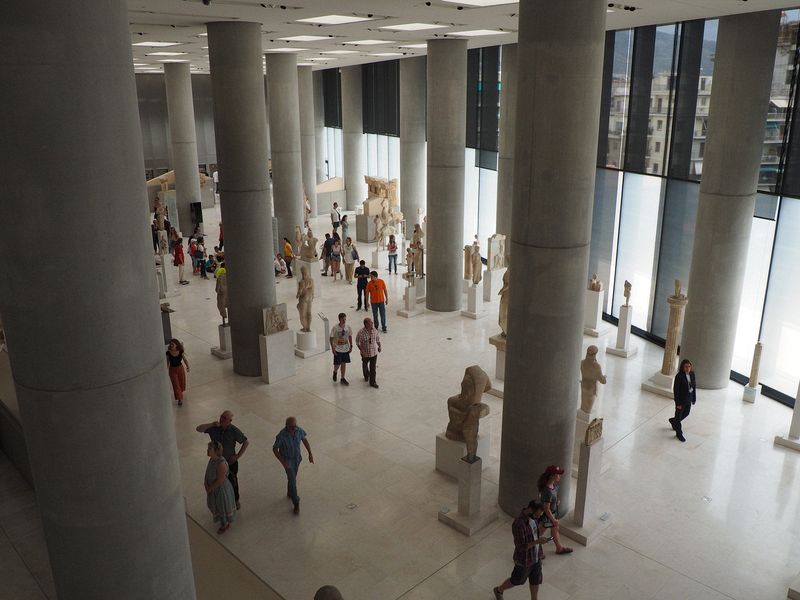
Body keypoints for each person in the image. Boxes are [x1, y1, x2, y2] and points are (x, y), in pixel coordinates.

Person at [493, 499, 550, 600]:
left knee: (535, 580)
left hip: (536, 557)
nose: (538, 517)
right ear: (531, 510)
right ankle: (499, 590)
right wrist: (537, 542)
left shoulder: (534, 518)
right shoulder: (518, 524)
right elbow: (521, 546)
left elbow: (535, 534)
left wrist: (540, 544)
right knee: (517, 580)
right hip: (524, 560)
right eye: (537, 515)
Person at [196, 412, 249, 510]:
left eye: (225, 418)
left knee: (232, 481)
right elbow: (198, 429)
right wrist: (211, 424)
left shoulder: (234, 430)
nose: (222, 419)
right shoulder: (214, 428)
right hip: (217, 462)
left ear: (230, 421)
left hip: (230, 462)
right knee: (217, 481)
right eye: (221, 417)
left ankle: (235, 500)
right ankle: (220, 500)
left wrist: (237, 456)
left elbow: (245, 442)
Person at [273, 417, 313, 514]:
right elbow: (274, 449)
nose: (294, 428)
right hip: (288, 461)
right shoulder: (281, 436)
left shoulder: (298, 430)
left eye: (295, 426)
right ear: (286, 426)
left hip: (297, 459)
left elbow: (304, 440)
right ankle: (296, 502)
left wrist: (310, 453)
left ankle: (290, 492)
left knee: (292, 478)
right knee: (292, 479)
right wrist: (283, 461)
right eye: (292, 427)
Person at [537, 465, 572, 555]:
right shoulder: (547, 491)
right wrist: (553, 520)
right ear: (552, 476)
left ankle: (559, 548)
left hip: (552, 514)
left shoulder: (552, 485)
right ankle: (530, 549)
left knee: (555, 530)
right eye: (558, 474)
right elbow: (546, 508)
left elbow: (552, 498)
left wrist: (556, 501)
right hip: (548, 516)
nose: (560, 476)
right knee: (537, 534)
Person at [205, 441, 236, 534]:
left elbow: (220, 480)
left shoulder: (221, 464)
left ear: (215, 451)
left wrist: (210, 488)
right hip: (213, 489)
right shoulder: (212, 459)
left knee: (222, 506)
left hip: (221, 490)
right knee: (217, 505)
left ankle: (225, 524)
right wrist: (206, 483)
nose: (207, 450)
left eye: (210, 449)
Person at [670, 358, 696, 442]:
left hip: (689, 398)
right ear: (682, 367)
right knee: (678, 416)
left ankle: (673, 421)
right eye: (686, 366)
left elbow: (694, 387)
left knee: (686, 413)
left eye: (689, 366)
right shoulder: (679, 376)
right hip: (681, 400)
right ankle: (679, 433)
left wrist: (694, 398)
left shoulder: (692, 374)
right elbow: (676, 391)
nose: (688, 368)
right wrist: (678, 403)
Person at [356, 317, 381, 388]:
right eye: (371, 322)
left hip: (374, 352)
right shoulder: (361, 332)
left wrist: (379, 346)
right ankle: (366, 375)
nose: (372, 323)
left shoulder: (375, 330)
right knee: (365, 365)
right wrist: (362, 351)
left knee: (373, 368)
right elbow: (358, 342)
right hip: (365, 353)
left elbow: (378, 339)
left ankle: (372, 382)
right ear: (366, 324)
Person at [330, 312, 352, 385]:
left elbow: (350, 336)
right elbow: (331, 337)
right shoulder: (335, 328)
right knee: (337, 363)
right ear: (339, 319)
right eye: (343, 319)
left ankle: (342, 378)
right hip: (337, 348)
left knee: (343, 363)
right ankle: (335, 371)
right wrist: (333, 348)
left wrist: (351, 346)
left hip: (345, 348)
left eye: (345, 319)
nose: (344, 321)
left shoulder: (348, 327)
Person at [166, 338, 190, 406]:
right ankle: (179, 399)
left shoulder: (180, 351)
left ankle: (180, 393)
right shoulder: (168, 353)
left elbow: (185, 359)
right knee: (176, 384)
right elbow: (167, 363)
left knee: (181, 382)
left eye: (172, 344)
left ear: (176, 345)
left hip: (180, 368)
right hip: (172, 370)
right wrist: (166, 370)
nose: (171, 345)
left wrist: (188, 366)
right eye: (170, 344)